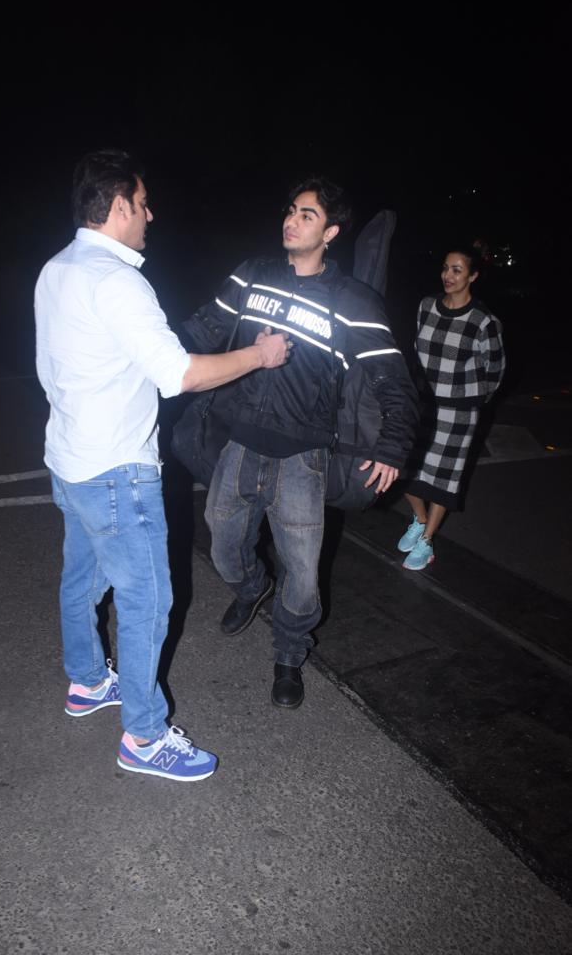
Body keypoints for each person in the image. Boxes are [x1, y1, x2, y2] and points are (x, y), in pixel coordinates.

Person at [34, 149, 290, 783]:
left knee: (81, 578)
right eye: (143, 203)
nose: (151, 214)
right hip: (117, 470)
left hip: (69, 460)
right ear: (119, 206)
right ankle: (145, 737)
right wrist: (258, 355)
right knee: (148, 600)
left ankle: (89, 680)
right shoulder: (117, 280)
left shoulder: (57, 268)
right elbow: (179, 375)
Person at [182, 177, 418, 709]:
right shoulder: (252, 275)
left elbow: (392, 381)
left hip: (302, 457)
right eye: (291, 210)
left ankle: (289, 652)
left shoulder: (352, 301)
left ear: (330, 231)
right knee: (222, 542)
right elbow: (201, 331)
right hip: (239, 443)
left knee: (305, 573)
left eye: (307, 215)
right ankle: (250, 587)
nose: (292, 220)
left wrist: (393, 447)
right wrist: (149, 356)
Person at [398, 247, 505, 570]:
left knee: (442, 480)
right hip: (423, 404)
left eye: (457, 270)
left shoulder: (483, 321)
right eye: (446, 268)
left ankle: (427, 541)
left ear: (472, 276)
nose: (448, 275)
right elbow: (417, 349)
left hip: (458, 412)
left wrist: (470, 399)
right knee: (402, 470)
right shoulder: (426, 306)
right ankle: (418, 519)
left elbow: (495, 369)